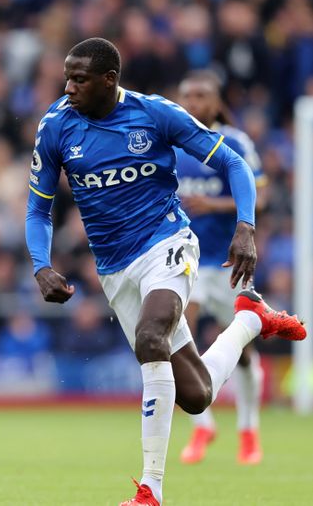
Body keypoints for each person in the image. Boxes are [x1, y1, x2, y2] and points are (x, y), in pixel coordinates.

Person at [25, 38, 305, 506]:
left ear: (109, 79)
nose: (68, 87)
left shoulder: (154, 114)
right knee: (196, 396)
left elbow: (233, 163)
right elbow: (38, 210)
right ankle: (249, 321)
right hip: (115, 267)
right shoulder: (56, 126)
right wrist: (40, 266)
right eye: (66, 77)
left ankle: (150, 488)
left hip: (168, 242)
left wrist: (246, 227)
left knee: (151, 337)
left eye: (79, 79)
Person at [174, 70, 269, 465]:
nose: (193, 102)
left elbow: (261, 199)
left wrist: (214, 206)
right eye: (186, 95)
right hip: (187, 261)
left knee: (242, 354)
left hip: (230, 263)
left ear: (216, 102)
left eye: (201, 96)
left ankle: (248, 430)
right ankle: (204, 426)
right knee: (181, 343)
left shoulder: (235, 143)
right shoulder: (172, 144)